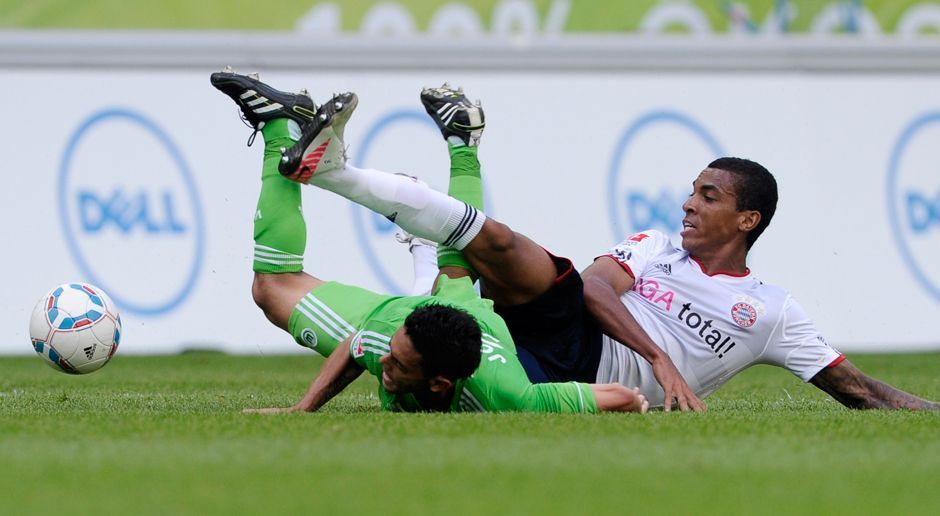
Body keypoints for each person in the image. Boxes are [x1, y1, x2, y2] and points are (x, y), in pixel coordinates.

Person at [277, 79, 940, 412]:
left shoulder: (771, 313)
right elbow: (593, 288)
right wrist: (660, 356)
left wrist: (930, 411)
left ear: (748, 221)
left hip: (575, 377)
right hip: (576, 325)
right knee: (502, 247)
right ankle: (340, 171)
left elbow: (860, 390)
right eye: (692, 190)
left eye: (710, 196)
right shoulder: (655, 246)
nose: (689, 202)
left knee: (437, 309)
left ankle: (451, 161)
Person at [209, 68, 648, 414]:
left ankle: (459, 144)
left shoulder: (506, 391)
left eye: (398, 365)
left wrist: (636, 401)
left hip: (466, 315)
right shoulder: (387, 337)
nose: (383, 363)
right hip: (408, 314)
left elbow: (619, 397)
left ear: (440, 384)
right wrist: (302, 409)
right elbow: (360, 342)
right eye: (392, 355)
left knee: (453, 269)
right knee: (271, 287)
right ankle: (281, 131)